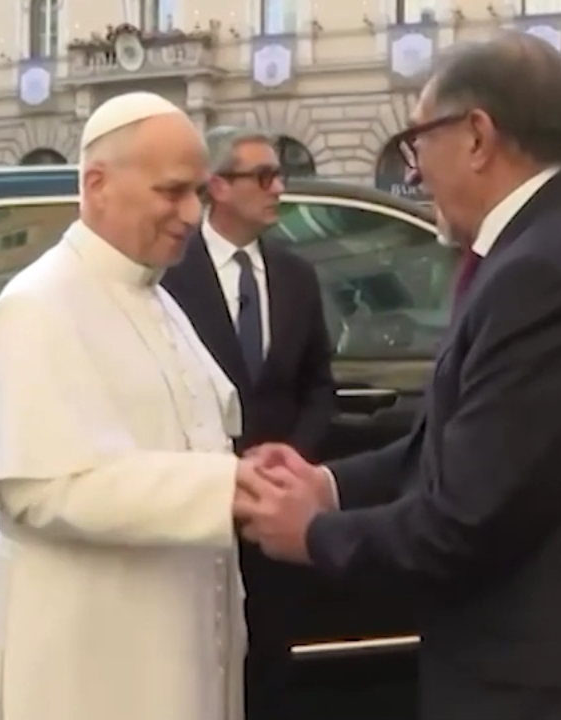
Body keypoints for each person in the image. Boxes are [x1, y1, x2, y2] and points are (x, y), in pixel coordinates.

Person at [232, 31, 561, 720]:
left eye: (417, 142)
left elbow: (466, 521)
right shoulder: (550, 248)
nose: (412, 171)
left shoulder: (549, 272)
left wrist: (313, 533)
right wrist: (329, 482)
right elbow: (463, 442)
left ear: (475, 137)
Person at [0, 91, 269, 720]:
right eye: (172, 192)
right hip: (90, 656)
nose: (191, 214)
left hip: (173, 638)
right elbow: (42, 491)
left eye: (199, 193)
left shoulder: (157, 296)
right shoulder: (38, 305)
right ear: (97, 185)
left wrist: (249, 475)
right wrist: (224, 487)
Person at [162, 125, 335, 720]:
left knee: (271, 665)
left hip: (276, 509)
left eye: (278, 174)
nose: (278, 188)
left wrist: (290, 463)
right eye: (263, 177)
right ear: (218, 187)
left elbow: (318, 386)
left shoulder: (296, 276)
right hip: (198, 506)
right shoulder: (169, 275)